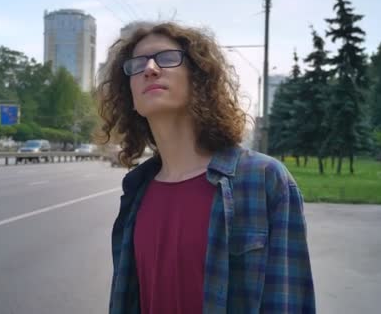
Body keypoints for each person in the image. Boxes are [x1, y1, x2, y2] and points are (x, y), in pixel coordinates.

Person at [97, 22, 315, 313]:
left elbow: (289, 303)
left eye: (166, 58)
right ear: (131, 95)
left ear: (198, 78)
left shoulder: (263, 180)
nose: (149, 68)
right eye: (136, 65)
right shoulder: (137, 190)